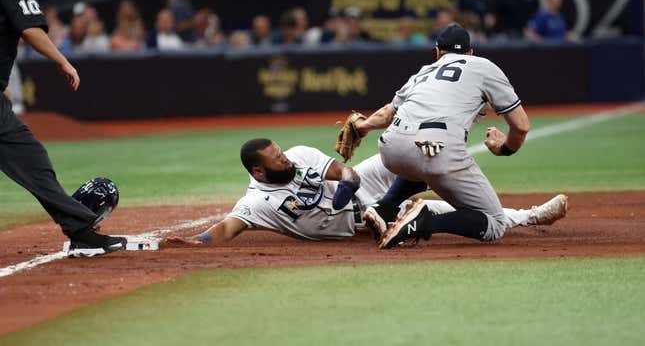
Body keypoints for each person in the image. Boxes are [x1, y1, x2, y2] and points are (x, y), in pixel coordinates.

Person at [352, 23, 562, 248]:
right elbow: (521, 126)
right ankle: (424, 222)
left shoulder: (423, 72)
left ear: (437, 52)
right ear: (471, 52)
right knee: (495, 223)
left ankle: (385, 207)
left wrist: (362, 127)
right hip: (435, 150)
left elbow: (386, 114)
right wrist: (505, 148)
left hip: (390, 148)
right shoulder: (483, 66)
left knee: (421, 162)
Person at [164, 139, 566, 246]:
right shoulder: (258, 203)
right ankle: (528, 216)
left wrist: (350, 182)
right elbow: (227, 228)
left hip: (362, 190)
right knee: (432, 208)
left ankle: (411, 189)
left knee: (403, 158)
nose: (285, 159)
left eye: (281, 152)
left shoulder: (301, 154)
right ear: (258, 170)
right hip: (359, 218)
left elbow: (343, 170)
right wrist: (198, 243)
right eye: (275, 159)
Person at [0, 0, 126, 255]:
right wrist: (62, 60)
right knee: (33, 162)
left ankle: (79, 228)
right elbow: (30, 29)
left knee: (31, 159)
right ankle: (81, 231)